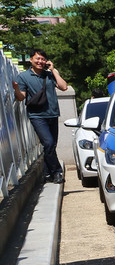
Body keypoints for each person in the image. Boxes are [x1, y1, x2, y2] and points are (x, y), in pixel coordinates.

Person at [12, 49, 69, 183]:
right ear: (31, 59)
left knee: (51, 145)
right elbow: (21, 98)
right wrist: (16, 90)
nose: (40, 61)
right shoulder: (24, 77)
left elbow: (64, 87)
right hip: (37, 115)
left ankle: (47, 172)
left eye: (43, 59)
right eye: (37, 58)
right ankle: (57, 172)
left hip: (53, 114)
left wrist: (53, 70)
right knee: (48, 143)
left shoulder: (49, 75)